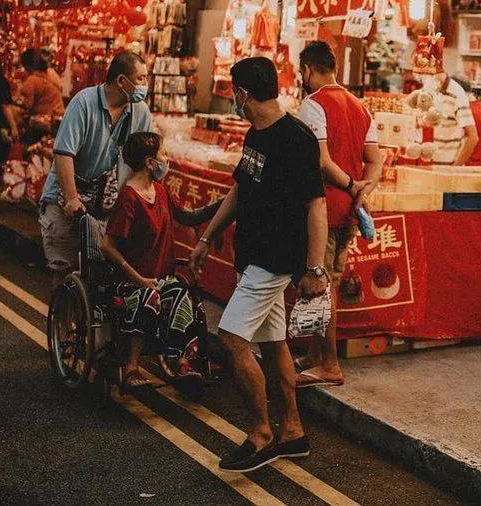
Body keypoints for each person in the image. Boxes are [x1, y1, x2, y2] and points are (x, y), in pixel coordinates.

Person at [190, 57, 328, 473]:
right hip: (250, 256)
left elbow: (316, 206)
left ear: (244, 93)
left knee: (232, 338)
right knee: (273, 343)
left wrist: (315, 269)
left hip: (273, 262)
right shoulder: (256, 135)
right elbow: (239, 191)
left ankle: (260, 433)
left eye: (234, 91)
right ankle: (293, 432)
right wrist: (206, 238)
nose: (233, 98)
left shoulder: (296, 139)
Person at [294, 40, 382, 388]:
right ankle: (316, 355)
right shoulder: (360, 106)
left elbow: (321, 160)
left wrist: (349, 186)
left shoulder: (312, 105)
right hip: (348, 213)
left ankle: (329, 364)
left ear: (307, 70)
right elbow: (376, 159)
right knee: (328, 279)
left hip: (323, 210)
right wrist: (364, 188)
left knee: (321, 285)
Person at [100, 131, 218, 389]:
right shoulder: (129, 198)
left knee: (180, 294)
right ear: (150, 162)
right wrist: (139, 279)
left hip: (161, 280)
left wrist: (223, 205)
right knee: (150, 297)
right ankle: (131, 367)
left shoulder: (161, 191)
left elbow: (188, 217)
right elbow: (107, 245)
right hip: (131, 283)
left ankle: (180, 361)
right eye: (163, 154)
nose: (168, 160)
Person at [40, 51, 151, 285]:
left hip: (105, 202)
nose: (145, 85)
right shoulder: (84, 102)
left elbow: (147, 156)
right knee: (63, 268)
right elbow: (63, 153)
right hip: (66, 196)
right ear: (122, 81)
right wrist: (71, 198)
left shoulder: (140, 112)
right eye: (141, 79)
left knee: (100, 271)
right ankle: (62, 316)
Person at [10, 48, 64, 143]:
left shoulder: (32, 80)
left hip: (42, 124)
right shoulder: (51, 75)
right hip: (58, 122)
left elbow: (26, 105)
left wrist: (13, 102)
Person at [426, 71, 479, 166]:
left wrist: (455, 168)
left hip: (445, 169)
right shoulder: (429, 87)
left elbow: (473, 137)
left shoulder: (457, 94)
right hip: (426, 166)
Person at [451, 75, 481, 166]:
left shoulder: (466, 112)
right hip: (477, 167)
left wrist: (454, 167)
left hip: (463, 168)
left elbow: (471, 139)